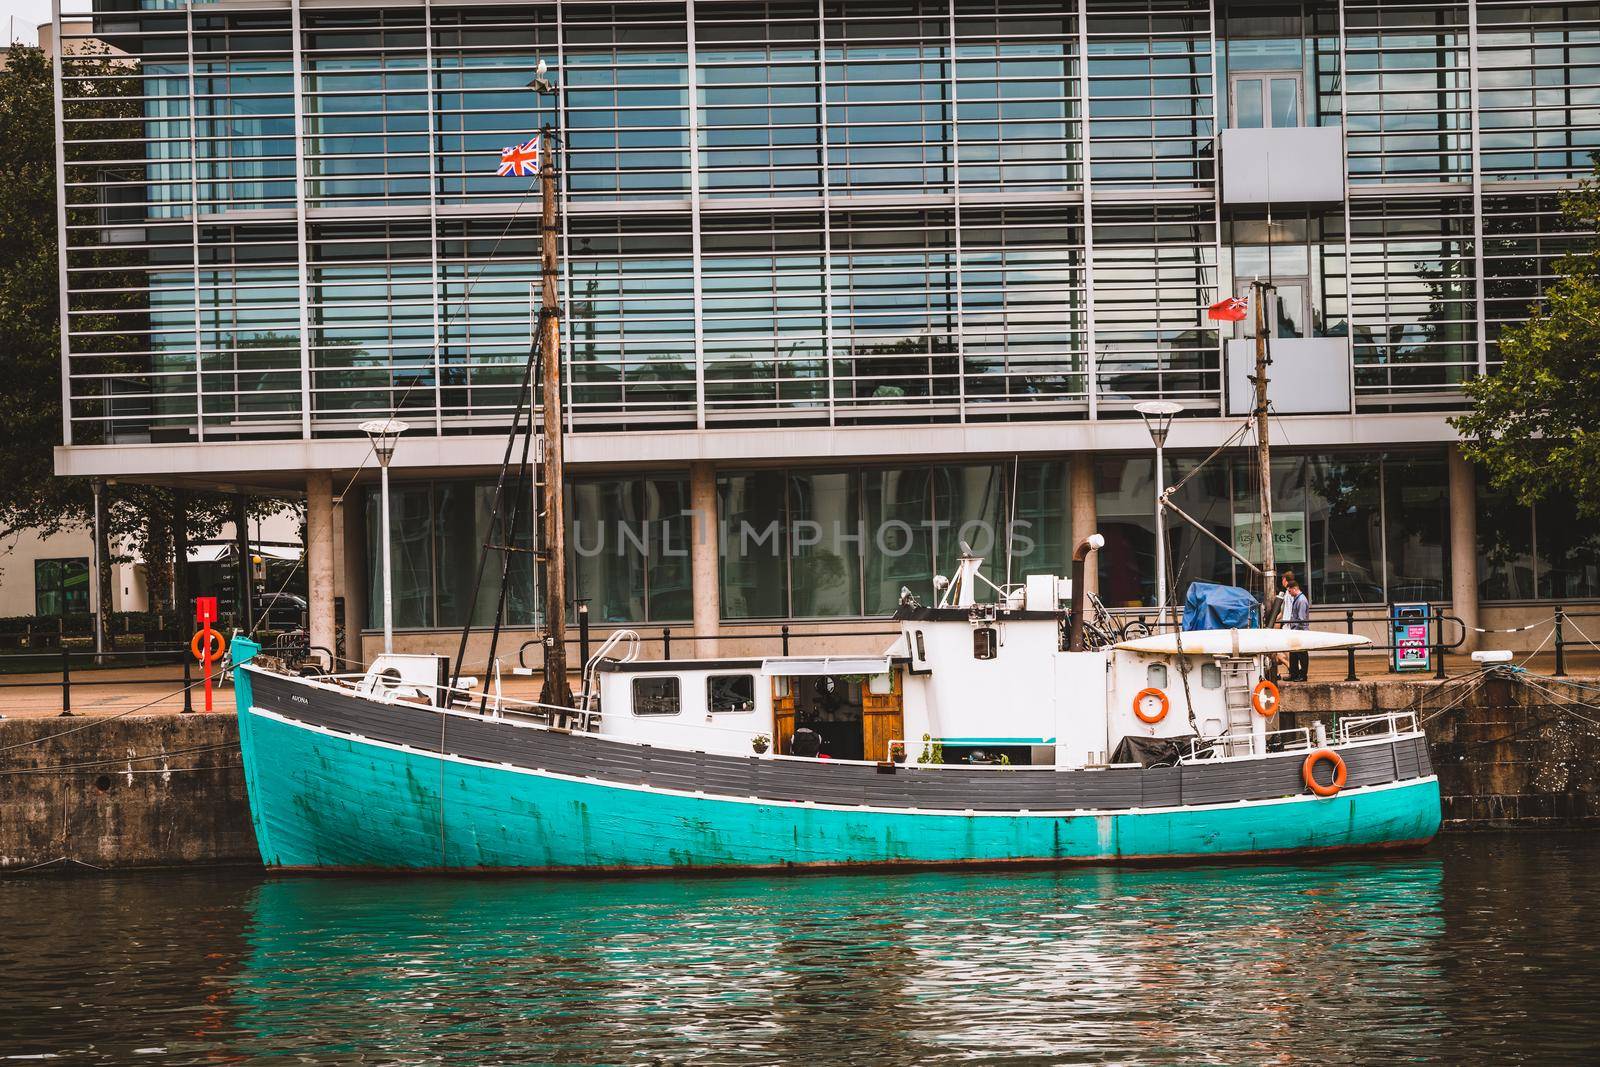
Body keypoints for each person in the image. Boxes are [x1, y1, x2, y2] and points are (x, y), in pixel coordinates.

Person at [1280, 571, 1310, 682]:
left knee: (1302, 654)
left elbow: (1302, 619)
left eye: (1289, 590)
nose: (1289, 593)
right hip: (1295, 631)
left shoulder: (1301, 601)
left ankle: (1302, 675)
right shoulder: (1298, 599)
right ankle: (1294, 673)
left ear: (1294, 589)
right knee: (1293, 654)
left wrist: (1295, 629)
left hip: (1299, 632)